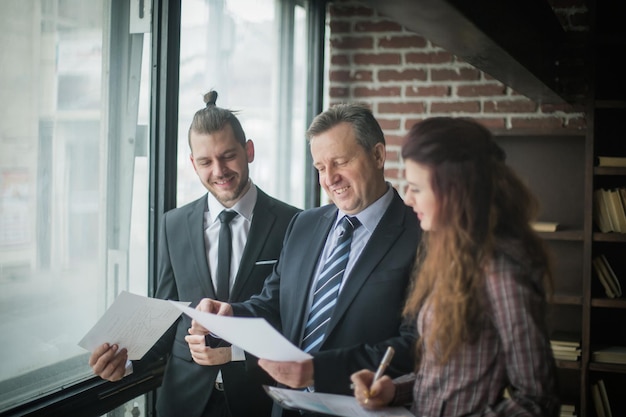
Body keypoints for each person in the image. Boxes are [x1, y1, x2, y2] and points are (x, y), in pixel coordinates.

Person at [187, 103, 422, 417]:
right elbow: (274, 305)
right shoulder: (304, 225)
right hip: (287, 409)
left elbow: (416, 344)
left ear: (378, 155)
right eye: (320, 167)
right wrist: (229, 316)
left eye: (340, 162)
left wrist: (318, 371)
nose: (330, 179)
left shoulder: (421, 236)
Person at [88, 90, 301, 417]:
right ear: (192, 164)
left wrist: (238, 351)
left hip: (259, 400)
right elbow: (168, 313)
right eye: (205, 161)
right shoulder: (173, 224)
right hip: (183, 402)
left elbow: (294, 321)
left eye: (228, 155)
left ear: (249, 150)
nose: (219, 170)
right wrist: (125, 359)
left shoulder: (294, 223)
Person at [350, 117, 560, 417]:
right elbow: (449, 376)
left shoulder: (500, 272)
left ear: (457, 190)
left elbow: (538, 401)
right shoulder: (451, 253)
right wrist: (395, 390)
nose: (407, 199)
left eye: (416, 188)